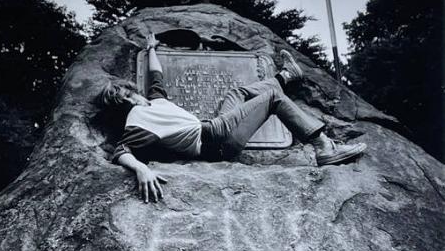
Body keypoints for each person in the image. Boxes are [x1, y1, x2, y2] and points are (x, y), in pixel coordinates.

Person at [100, 33, 367, 202]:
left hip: (216, 130)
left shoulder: (153, 101)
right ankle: (323, 147)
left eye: (130, 91)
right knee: (272, 100)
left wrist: (151, 49)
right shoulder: (137, 120)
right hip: (215, 139)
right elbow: (121, 150)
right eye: (127, 95)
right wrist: (141, 169)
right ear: (126, 99)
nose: (133, 94)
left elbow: (155, 76)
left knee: (235, 92)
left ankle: (286, 77)